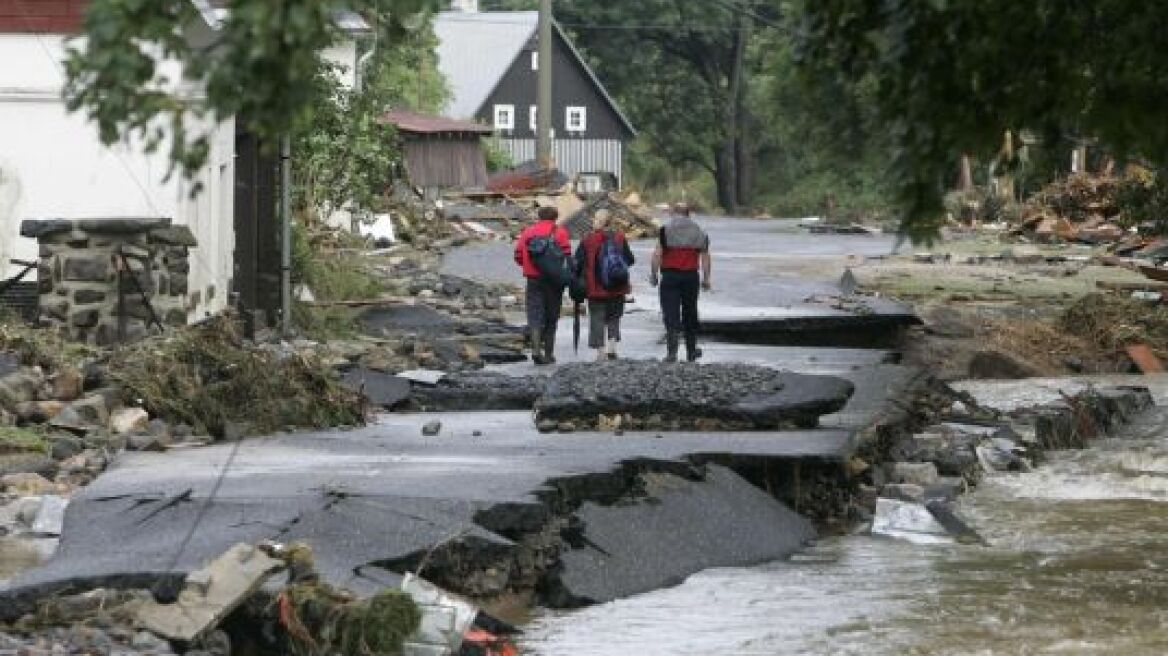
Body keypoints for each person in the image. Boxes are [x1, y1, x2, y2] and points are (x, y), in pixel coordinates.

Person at [650, 203, 711, 362]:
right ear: (688, 214)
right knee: (690, 312)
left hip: (670, 277)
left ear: (673, 213)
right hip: (690, 277)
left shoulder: (665, 230)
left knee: (670, 313)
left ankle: (672, 353)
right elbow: (705, 257)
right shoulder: (699, 231)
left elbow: (657, 254)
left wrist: (654, 274)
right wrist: (706, 278)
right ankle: (691, 351)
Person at [514, 206, 572, 365]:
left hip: (533, 279)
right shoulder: (560, 232)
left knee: (534, 314)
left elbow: (518, 255)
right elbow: (567, 255)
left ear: (539, 217)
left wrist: (529, 265)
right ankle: (548, 354)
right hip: (554, 281)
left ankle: (535, 350)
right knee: (551, 317)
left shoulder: (528, 232)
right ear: (555, 217)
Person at [575, 209, 635, 361]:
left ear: (600, 222)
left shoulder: (588, 239)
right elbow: (630, 259)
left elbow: (577, 262)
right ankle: (612, 348)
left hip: (595, 288)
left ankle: (600, 353)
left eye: (595, 219)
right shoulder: (620, 238)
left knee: (597, 319)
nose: (593, 222)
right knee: (614, 317)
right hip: (617, 286)